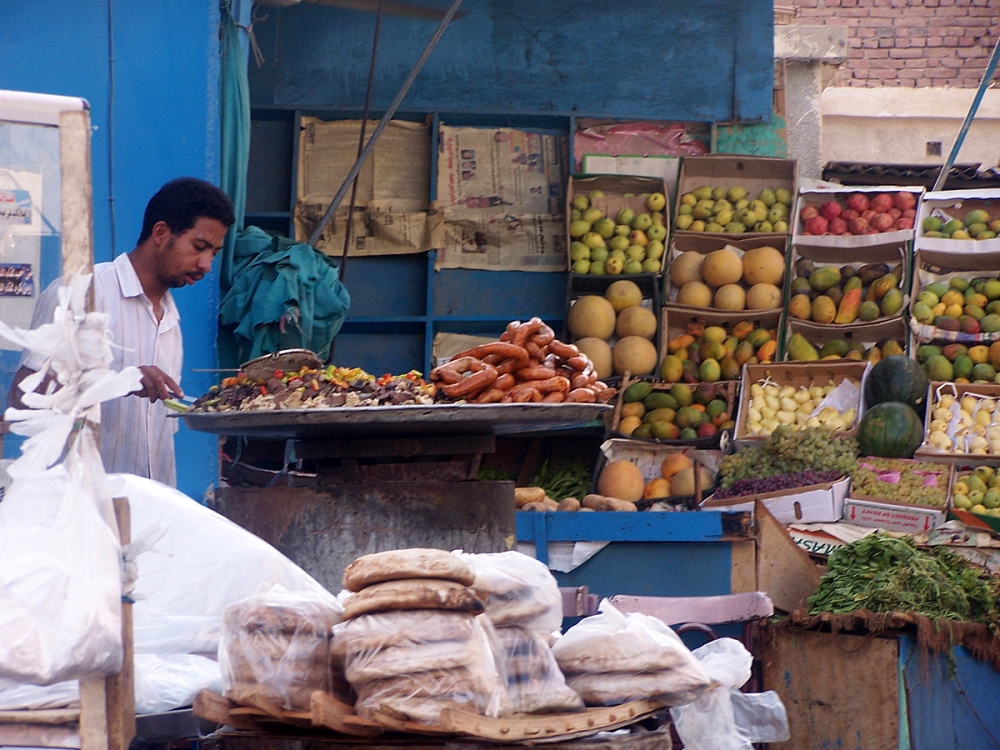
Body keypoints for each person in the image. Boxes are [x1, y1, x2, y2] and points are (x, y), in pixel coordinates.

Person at [9, 177, 235, 486]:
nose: (207, 265)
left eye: (214, 253)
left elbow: (159, 437)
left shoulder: (171, 321)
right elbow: (23, 403)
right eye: (199, 247)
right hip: (80, 511)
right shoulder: (82, 294)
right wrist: (118, 381)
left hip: (152, 512)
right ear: (160, 232)